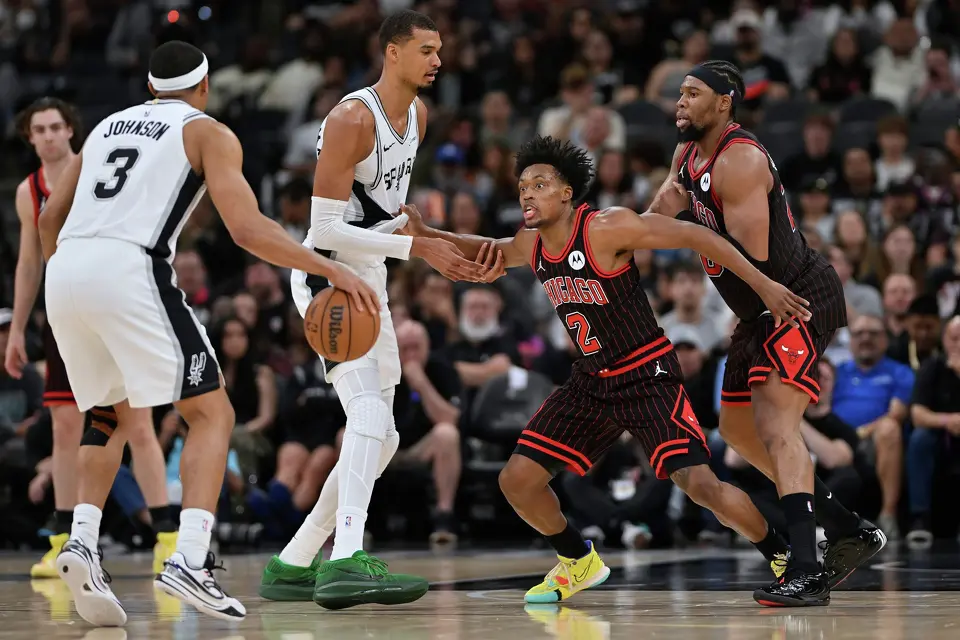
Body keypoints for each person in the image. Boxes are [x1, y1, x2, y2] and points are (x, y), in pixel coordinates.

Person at [36, 40, 379, 625]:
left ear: (150, 88)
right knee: (212, 412)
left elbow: (49, 218)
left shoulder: (104, 128)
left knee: (106, 413)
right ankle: (191, 558)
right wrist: (330, 269)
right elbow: (246, 229)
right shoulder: (207, 131)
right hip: (128, 267)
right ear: (204, 87)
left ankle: (82, 542)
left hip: (65, 270)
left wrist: (69, 283)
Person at [402, 134, 812, 604]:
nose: (527, 194)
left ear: (566, 193)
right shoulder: (532, 243)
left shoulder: (606, 227)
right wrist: (426, 235)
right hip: (592, 380)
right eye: (522, 188)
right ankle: (578, 560)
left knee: (700, 485)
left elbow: (696, 236)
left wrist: (763, 286)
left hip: (646, 372)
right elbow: (487, 249)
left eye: (539, 185)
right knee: (517, 480)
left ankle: (779, 554)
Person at [260, 10, 484, 609]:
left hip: (369, 275)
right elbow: (325, 228)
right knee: (364, 412)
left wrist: (424, 233)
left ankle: (293, 561)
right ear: (392, 52)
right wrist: (418, 249)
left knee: (382, 437)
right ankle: (346, 558)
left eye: (440, 49)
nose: (438, 60)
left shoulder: (419, 115)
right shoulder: (352, 118)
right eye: (426, 50)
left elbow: (381, 214)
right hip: (328, 275)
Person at [664, 60, 885, 606]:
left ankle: (807, 568)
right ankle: (848, 528)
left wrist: (686, 228)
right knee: (737, 431)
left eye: (693, 93)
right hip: (758, 309)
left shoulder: (739, 159)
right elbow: (660, 211)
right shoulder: (686, 154)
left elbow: (753, 257)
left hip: (794, 299)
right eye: (680, 93)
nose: (681, 102)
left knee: (776, 424)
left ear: (724, 103)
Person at [5, 97, 177, 578]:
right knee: (65, 426)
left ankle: (166, 536)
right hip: (65, 311)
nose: (49, 136)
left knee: (136, 423)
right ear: (30, 138)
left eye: (56, 126)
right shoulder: (28, 191)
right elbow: (28, 264)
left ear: (71, 130)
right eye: (39, 129)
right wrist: (17, 328)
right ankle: (64, 542)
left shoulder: (98, 169)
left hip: (114, 299)